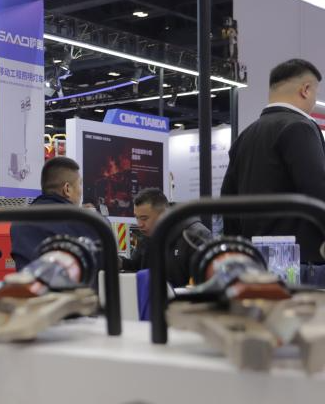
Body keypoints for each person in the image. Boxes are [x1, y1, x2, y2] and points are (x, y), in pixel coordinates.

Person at [220, 58, 325, 284]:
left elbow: (227, 200)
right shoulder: (300, 127)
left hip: (254, 261)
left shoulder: (245, 136)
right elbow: (318, 191)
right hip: (300, 262)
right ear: (305, 90)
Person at [11, 156, 102, 269]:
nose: (81, 190)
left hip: (27, 285)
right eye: (80, 184)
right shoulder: (88, 222)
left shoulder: (18, 223)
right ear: (67, 189)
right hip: (74, 287)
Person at [121, 188, 211, 288]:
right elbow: (136, 265)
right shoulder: (147, 235)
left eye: (144, 218)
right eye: (136, 217)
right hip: (154, 300)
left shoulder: (196, 236)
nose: (139, 224)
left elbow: (206, 282)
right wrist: (120, 262)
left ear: (164, 215)